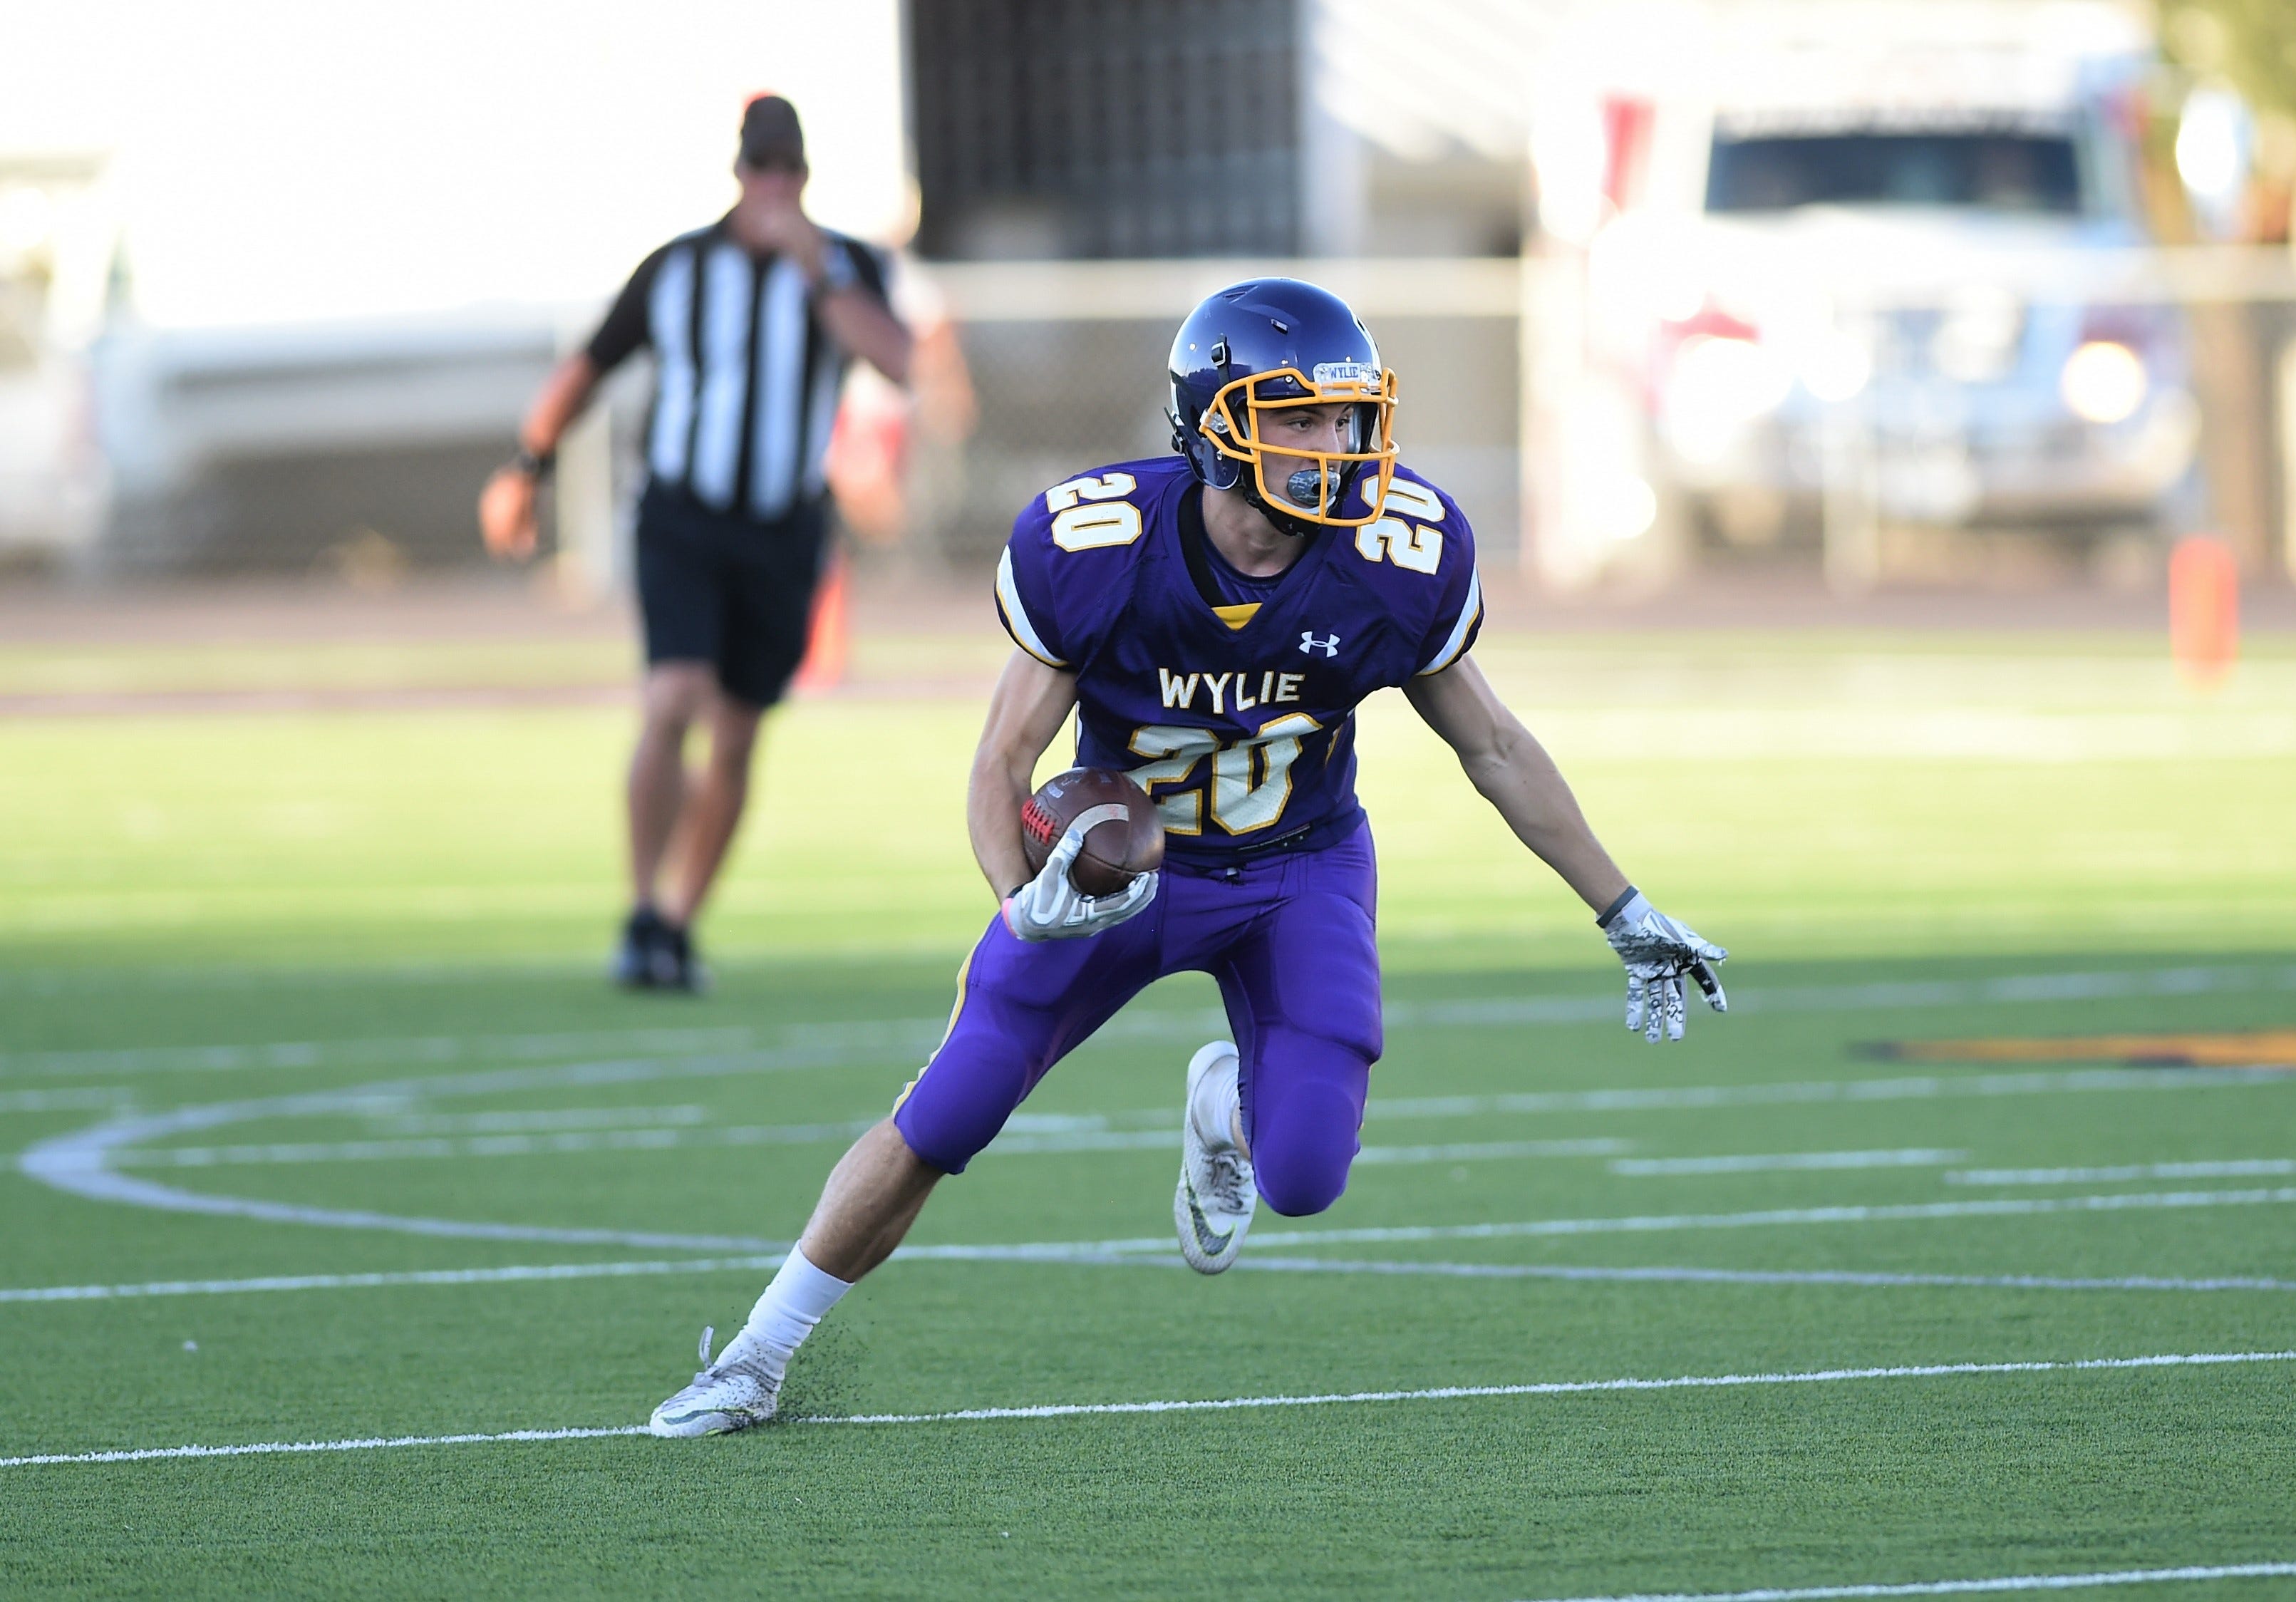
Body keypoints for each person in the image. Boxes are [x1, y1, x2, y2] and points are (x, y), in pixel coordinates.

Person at [648, 277, 1727, 1435]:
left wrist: (1617, 904)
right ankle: (756, 1356)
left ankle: (1227, 1102)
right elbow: (1002, 756)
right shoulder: (1103, 545)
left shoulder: (1393, 555)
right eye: (1299, 415)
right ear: (1217, 421)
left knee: (1304, 1174)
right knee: (947, 1113)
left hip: (1294, 868)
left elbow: (1497, 746)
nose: (1337, 444)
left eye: (1345, 416)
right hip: (1122, 879)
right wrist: (1023, 906)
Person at [479, 93, 911, 991]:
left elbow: (900, 360)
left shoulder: (846, 264)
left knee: (739, 733)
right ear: (739, 173)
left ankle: (678, 922)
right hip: (684, 514)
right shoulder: (679, 267)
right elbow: (589, 365)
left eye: (787, 171)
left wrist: (820, 271)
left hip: (784, 526)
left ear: (803, 177)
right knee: (672, 695)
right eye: (761, 169)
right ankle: (641, 909)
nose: (773, 185)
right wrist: (526, 468)